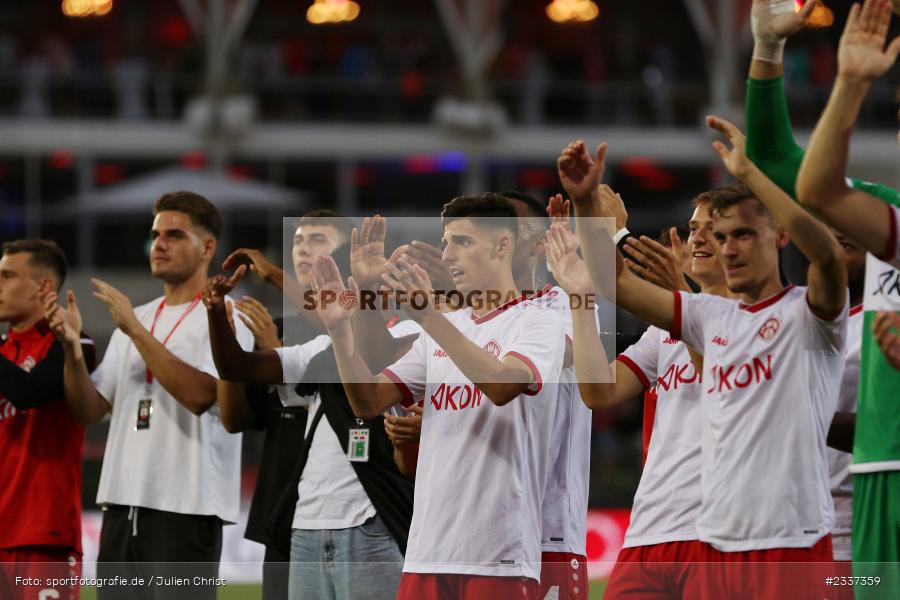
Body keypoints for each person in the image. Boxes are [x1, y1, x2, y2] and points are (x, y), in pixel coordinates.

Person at [559, 119, 847, 598]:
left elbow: (829, 260)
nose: (712, 243)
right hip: (690, 532)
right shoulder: (699, 318)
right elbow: (613, 309)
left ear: (777, 238)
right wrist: (591, 214)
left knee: (870, 580)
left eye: (733, 234)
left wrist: (756, 176)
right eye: (704, 231)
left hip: (800, 534)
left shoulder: (809, 312)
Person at [313, 193, 566, 600]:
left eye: (462, 242)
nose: (447, 254)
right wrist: (341, 334)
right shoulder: (445, 328)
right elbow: (368, 402)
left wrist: (428, 314)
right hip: (426, 551)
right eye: (446, 241)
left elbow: (502, 386)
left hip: (497, 553)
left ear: (502, 246)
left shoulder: (540, 320)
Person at [45, 191, 254, 600]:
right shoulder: (138, 316)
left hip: (187, 510)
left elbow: (202, 396)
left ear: (207, 246)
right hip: (122, 506)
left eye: (174, 235)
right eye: (155, 234)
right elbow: (89, 410)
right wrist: (71, 351)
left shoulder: (228, 317)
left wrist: (135, 332)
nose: (158, 244)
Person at [207, 210, 415, 600]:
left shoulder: (408, 335)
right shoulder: (316, 344)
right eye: (298, 241)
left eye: (319, 243)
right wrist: (216, 315)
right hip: (302, 523)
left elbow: (366, 351)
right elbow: (236, 369)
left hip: (372, 521)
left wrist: (274, 278)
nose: (305, 251)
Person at [743, 0, 885, 567]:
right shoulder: (805, 311)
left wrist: (785, 409)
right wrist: (767, 47)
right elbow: (776, 156)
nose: (837, 226)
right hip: (809, 528)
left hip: (865, 518)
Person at [552, 185, 733, 599]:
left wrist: (682, 300)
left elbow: (728, 390)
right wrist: (580, 298)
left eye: (715, 228)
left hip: (719, 531)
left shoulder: (760, 317)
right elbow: (599, 391)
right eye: (693, 228)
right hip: (648, 531)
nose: (698, 237)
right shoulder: (662, 334)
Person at [794, 1, 900, 592]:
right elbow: (807, 182)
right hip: (865, 497)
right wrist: (851, 85)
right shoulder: (894, 222)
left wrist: (794, 409)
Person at [0, 240, 95, 600]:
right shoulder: (3, 352)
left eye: (7, 276)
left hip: (44, 535)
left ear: (44, 287)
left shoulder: (73, 347)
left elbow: (30, 391)